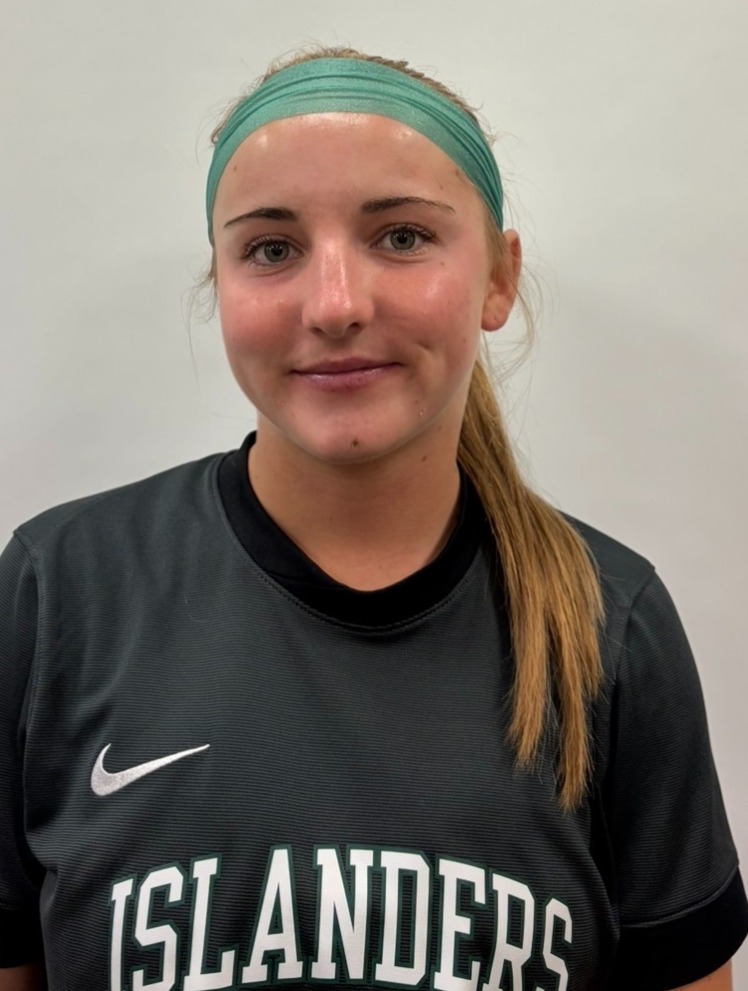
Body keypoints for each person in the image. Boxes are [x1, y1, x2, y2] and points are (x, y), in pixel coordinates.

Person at [0, 46, 746, 991]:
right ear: (219, 283)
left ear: (498, 278)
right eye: (272, 249)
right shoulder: (59, 591)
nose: (335, 304)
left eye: (400, 236)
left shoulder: (610, 622)